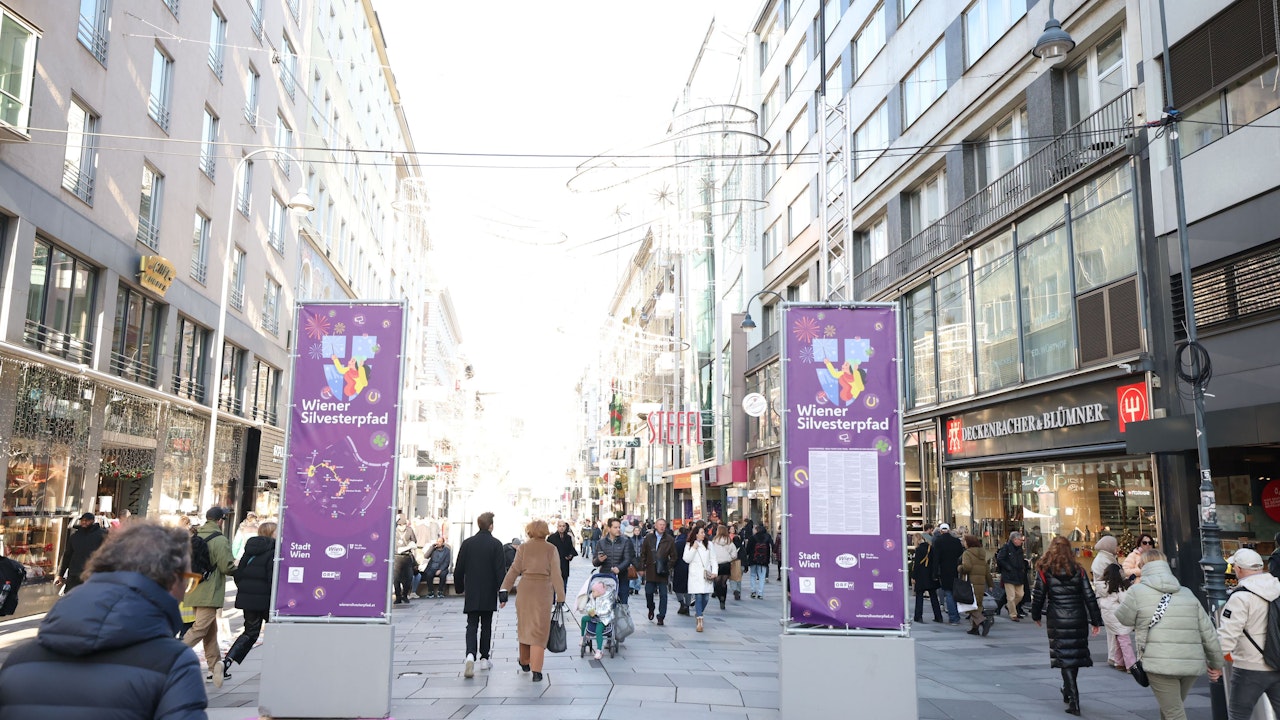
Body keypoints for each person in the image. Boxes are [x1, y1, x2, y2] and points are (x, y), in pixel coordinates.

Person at [0, 521, 207, 718]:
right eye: (187, 581)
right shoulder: (173, 664)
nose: (185, 593)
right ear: (171, 582)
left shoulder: (19, 661)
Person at [1116, 548, 1223, 720]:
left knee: (1173, 712)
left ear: (1142, 567)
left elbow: (1123, 619)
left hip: (1159, 663)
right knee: (1171, 708)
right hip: (1190, 664)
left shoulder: (1137, 592)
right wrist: (1216, 663)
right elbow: (1208, 631)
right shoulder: (1187, 593)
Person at [1031, 536, 1104, 716]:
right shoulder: (1078, 570)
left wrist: (1036, 615)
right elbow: (1089, 595)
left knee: (1064, 656)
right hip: (1077, 616)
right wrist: (1095, 620)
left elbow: (1038, 595)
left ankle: (1074, 699)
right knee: (1073, 654)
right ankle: (1068, 689)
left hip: (1057, 617)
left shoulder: (1044, 570)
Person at [500, 520, 566, 683]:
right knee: (540, 631)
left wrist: (504, 590)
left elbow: (514, 570)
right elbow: (557, 574)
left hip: (525, 590)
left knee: (525, 626)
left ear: (529, 532)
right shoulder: (551, 549)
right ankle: (537, 670)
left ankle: (524, 661)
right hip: (543, 591)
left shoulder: (523, 548)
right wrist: (560, 596)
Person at [1218, 548, 1280, 719]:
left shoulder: (1241, 597)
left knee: (1239, 716)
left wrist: (1214, 663)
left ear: (1238, 569)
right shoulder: (1278, 587)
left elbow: (1227, 636)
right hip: (1277, 663)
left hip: (1249, 667)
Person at [182, 506, 236, 689]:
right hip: (210, 591)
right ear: (220, 520)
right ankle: (170, 656)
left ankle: (214, 670)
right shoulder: (220, 540)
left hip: (194, 587)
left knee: (210, 632)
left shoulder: (195, 536)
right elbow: (227, 567)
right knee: (199, 629)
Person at [221, 521, 276, 678]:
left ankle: (227, 662)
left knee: (250, 632)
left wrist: (246, 591)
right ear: (271, 533)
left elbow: (239, 574)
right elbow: (272, 578)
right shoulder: (273, 552)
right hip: (266, 601)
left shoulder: (249, 551)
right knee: (275, 630)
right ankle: (277, 664)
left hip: (248, 600)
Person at [454, 512, 505, 679]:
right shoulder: (496, 544)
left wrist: (459, 587)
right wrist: (502, 594)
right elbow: (500, 571)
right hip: (488, 591)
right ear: (490, 526)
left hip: (472, 590)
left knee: (472, 624)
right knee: (487, 625)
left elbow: (459, 568)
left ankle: (470, 655)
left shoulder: (468, 543)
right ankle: (484, 658)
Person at [1096, 563, 1136, 673]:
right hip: (1117, 617)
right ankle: (1131, 665)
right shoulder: (1119, 587)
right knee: (1125, 640)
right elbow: (1125, 601)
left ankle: (1119, 662)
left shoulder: (1103, 587)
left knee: (1118, 638)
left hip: (1108, 617)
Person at [56, 512, 107, 594]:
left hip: (91, 574)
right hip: (74, 574)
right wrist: (60, 574)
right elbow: (67, 555)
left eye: (87, 520)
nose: (84, 522)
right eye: (82, 520)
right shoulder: (75, 536)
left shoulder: (102, 535)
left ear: (92, 521)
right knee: (71, 598)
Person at [1091, 535, 1123, 666]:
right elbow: (1111, 580)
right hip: (1110, 598)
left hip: (1107, 598)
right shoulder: (1104, 560)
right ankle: (1116, 658)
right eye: (1115, 545)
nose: (1117, 547)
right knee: (1116, 629)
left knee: (1112, 631)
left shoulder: (1105, 558)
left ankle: (1114, 657)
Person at [640, 518, 677, 625]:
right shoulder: (649, 538)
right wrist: (642, 567)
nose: (662, 527)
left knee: (663, 595)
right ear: (655, 526)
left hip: (663, 571)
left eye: (663, 525)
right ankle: (651, 607)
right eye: (660, 524)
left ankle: (661, 616)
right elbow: (643, 553)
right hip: (651, 569)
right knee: (649, 592)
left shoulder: (669, 539)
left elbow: (674, 556)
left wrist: (668, 566)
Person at [592, 517, 635, 605]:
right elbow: (594, 562)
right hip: (606, 577)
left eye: (619, 527)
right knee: (606, 604)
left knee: (623, 603)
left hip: (622, 577)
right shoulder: (601, 542)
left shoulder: (625, 541)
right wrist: (599, 560)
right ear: (609, 528)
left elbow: (628, 559)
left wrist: (619, 568)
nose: (618, 529)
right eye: (615, 527)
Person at [929, 523, 965, 624]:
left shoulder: (938, 541)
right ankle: (955, 615)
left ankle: (953, 617)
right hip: (954, 569)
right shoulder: (956, 541)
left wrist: (934, 573)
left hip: (943, 570)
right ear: (949, 530)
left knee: (948, 592)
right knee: (953, 592)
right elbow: (959, 553)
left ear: (940, 531)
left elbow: (936, 559)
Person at [959, 534, 994, 636]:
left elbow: (967, 567)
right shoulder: (982, 553)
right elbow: (987, 570)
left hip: (970, 582)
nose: (963, 543)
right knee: (978, 605)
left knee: (968, 604)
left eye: (964, 541)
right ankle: (975, 629)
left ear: (968, 542)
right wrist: (990, 583)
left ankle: (983, 621)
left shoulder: (967, 553)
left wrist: (960, 568)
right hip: (981, 583)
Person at [684, 524, 716, 633]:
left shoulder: (709, 545)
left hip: (706, 574)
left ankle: (698, 613)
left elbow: (713, 559)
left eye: (704, 532)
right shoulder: (689, 545)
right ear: (696, 534)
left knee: (706, 598)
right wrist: (693, 548)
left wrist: (715, 571)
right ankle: (699, 620)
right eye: (701, 532)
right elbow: (686, 559)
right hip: (695, 575)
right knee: (698, 596)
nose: (704, 534)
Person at [995, 531, 1027, 621]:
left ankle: (1009, 606)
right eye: (1020, 540)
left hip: (1019, 575)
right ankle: (1013, 614)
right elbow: (1000, 559)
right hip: (1009, 575)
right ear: (1015, 540)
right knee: (1011, 596)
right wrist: (1008, 567)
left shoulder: (1020, 549)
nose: (1021, 541)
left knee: (1020, 594)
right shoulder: (1006, 548)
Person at [912, 531, 943, 623]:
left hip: (921, 575)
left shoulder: (919, 549)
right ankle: (938, 616)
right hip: (930, 575)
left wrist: (913, 576)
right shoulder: (931, 547)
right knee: (933, 596)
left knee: (919, 596)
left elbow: (916, 565)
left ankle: (918, 616)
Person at [579, 580, 614, 660]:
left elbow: (607, 610)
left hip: (603, 618)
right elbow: (588, 606)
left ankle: (599, 650)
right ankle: (582, 636)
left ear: (599, 592)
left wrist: (597, 612)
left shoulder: (607, 599)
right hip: (593, 616)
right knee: (584, 619)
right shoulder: (592, 597)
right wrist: (589, 610)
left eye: (594, 591)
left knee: (599, 630)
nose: (592, 592)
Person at [393, 514, 418, 605]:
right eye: (400, 525)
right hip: (397, 557)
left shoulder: (409, 530)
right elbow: (396, 549)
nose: (402, 527)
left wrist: (412, 544)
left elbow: (414, 540)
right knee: (396, 579)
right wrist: (408, 547)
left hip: (407, 557)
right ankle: (398, 596)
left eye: (403, 525)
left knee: (408, 578)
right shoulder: (394, 532)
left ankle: (405, 595)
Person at [745, 521, 773, 600]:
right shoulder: (767, 537)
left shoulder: (752, 538)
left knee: (753, 575)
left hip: (753, 559)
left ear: (757, 530)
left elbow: (747, 550)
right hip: (763, 561)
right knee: (762, 577)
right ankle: (760, 593)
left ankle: (753, 591)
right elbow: (771, 547)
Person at [711, 525, 736, 611]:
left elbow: (710, 552)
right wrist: (730, 558)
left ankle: (719, 596)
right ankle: (723, 599)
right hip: (726, 563)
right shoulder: (729, 541)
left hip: (717, 564)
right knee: (724, 583)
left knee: (717, 582)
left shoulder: (714, 541)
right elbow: (734, 553)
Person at [548, 521, 578, 590]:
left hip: (564, 564)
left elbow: (571, 549)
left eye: (563, 526)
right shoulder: (551, 538)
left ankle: (562, 600)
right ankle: (553, 600)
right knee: (553, 588)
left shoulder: (568, 538)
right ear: (557, 527)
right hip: (554, 565)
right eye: (560, 526)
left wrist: (570, 555)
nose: (562, 528)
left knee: (563, 586)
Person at [673, 523, 692, 614]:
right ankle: (687, 606)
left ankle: (682, 603)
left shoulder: (677, 542)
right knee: (688, 587)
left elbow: (674, 556)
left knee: (677, 587)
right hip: (689, 566)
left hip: (679, 566)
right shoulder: (690, 543)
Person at [626, 525, 644, 595]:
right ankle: (631, 587)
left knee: (639, 575)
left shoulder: (642, 540)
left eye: (638, 531)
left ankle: (637, 588)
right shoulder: (630, 540)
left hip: (640, 558)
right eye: (635, 531)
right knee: (632, 573)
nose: (637, 532)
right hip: (632, 558)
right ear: (633, 532)